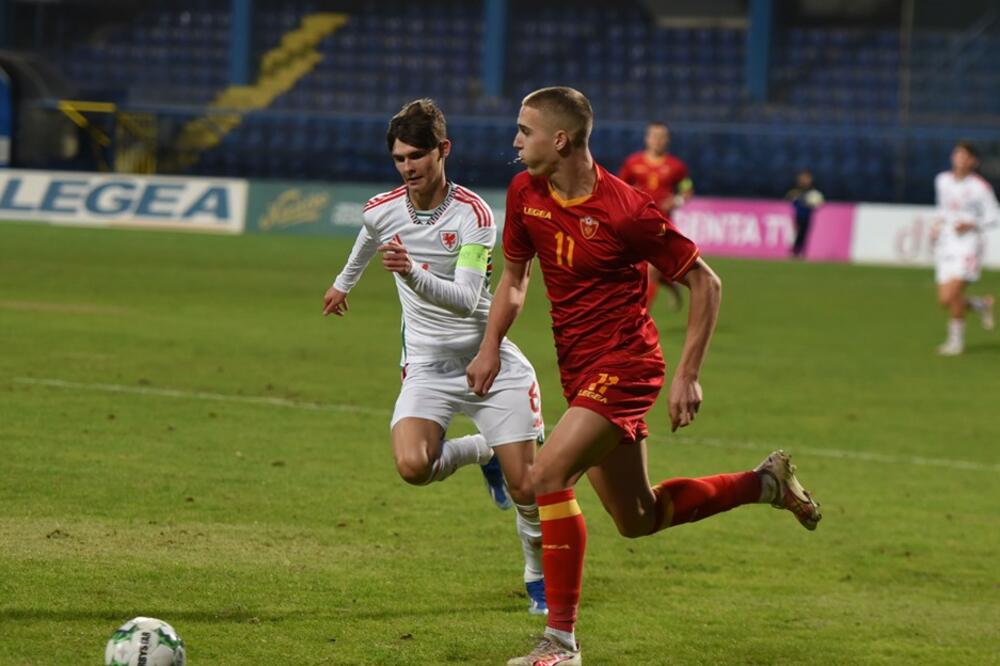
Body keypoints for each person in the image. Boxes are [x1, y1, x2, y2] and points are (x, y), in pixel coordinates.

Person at [467, 87, 822, 665]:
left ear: (559, 139)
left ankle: (560, 643)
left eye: (524, 129)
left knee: (545, 476)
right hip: (579, 369)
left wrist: (689, 374)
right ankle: (765, 484)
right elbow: (513, 279)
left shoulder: (627, 210)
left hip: (627, 365)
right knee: (638, 517)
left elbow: (706, 282)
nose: (514, 139)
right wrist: (490, 345)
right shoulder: (524, 192)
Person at [322, 99, 547, 614]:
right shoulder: (383, 208)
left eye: (417, 156)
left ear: (443, 150)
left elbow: (468, 297)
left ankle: (537, 578)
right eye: (399, 159)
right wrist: (342, 284)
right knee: (412, 466)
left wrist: (410, 273)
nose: (408, 168)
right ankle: (479, 452)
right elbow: (369, 235)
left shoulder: (475, 215)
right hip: (426, 366)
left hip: (487, 359)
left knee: (529, 488)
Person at [618, 121, 694, 311]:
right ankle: (670, 284)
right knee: (642, 269)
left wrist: (676, 201)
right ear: (647, 138)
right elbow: (619, 187)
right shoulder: (633, 163)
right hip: (637, 223)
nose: (657, 140)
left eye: (661, 137)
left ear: (667, 140)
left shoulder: (677, 166)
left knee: (652, 270)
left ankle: (641, 315)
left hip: (662, 225)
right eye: (654, 136)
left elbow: (687, 190)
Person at [931, 141, 998, 356]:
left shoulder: (980, 188)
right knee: (945, 300)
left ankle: (955, 342)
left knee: (954, 293)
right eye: (957, 154)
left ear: (972, 162)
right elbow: (943, 209)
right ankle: (980, 305)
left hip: (968, 245)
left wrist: (972, 224)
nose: (959, 159)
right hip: (947, 244)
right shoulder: (942, 181)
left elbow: (994, 216)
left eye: (964, 156)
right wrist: (937, 225)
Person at [785, 169, 825, 258]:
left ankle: (801, 252)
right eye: (804, 178)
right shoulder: (795, 190)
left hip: (807, 216)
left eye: (808, 178)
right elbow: (789, 199)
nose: (806, 180)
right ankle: (794, 251)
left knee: (804, 234)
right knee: (797, 234)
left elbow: (819, 203)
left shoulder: (813, 191)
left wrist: (815, 204)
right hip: (797, 216)